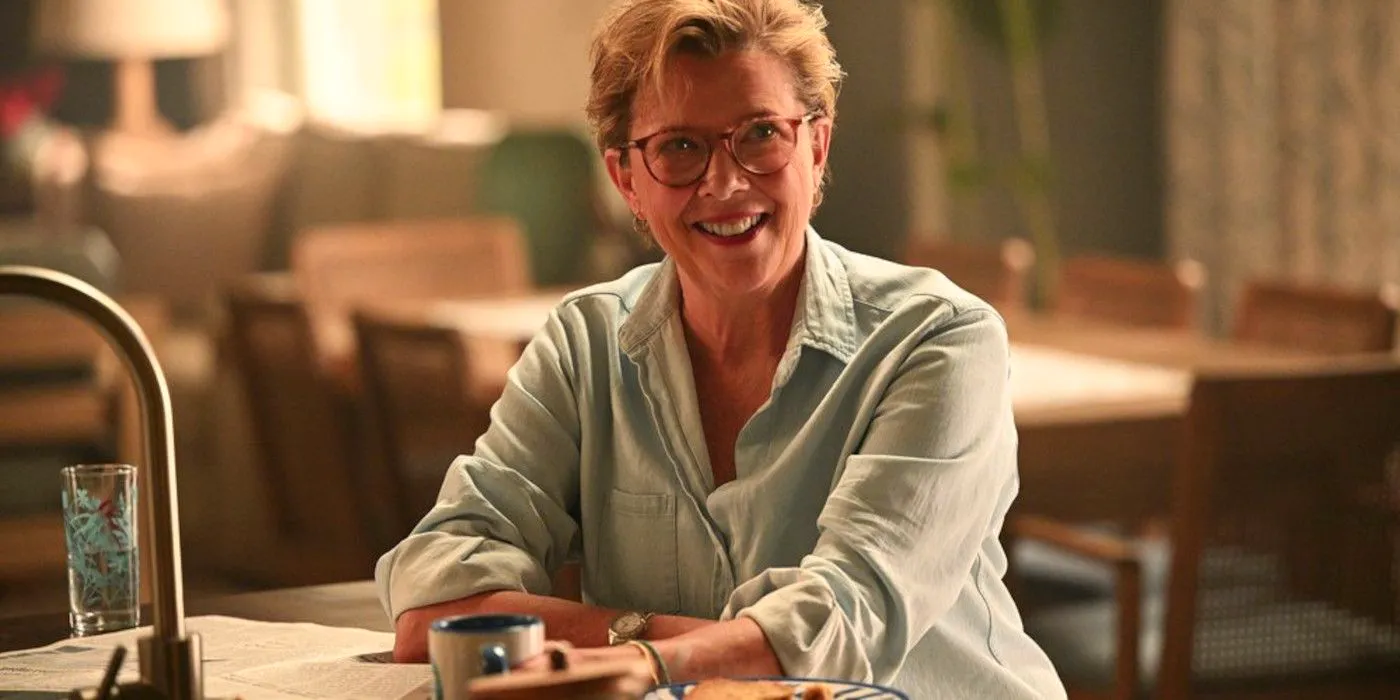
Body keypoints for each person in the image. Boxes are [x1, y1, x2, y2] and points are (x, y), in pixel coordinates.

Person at [376, 0, 1066, 696]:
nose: (726, 182)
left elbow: (839, 622)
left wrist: (642, 663)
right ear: (626, 181)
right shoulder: (582, 346)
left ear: (816, 146)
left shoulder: (939, 338)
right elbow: (436, 599)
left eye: (761, 133)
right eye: (680, 147)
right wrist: (649, 638)